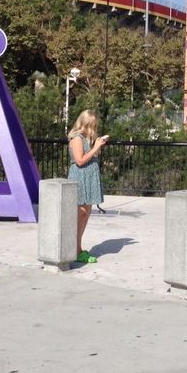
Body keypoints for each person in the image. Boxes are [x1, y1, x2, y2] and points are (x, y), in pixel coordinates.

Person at [67, 109, 109, 263]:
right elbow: (79, 161)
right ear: (85, 124)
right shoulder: (77, 138)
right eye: (92, 125)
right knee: (80, 214)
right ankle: (76, 250)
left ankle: (77, 248)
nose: (94, 129)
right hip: (80, 177)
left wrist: (96, 146)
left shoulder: (86, 138)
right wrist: (96, 147)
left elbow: (88, 156)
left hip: (88, 178)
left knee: (85, 213)